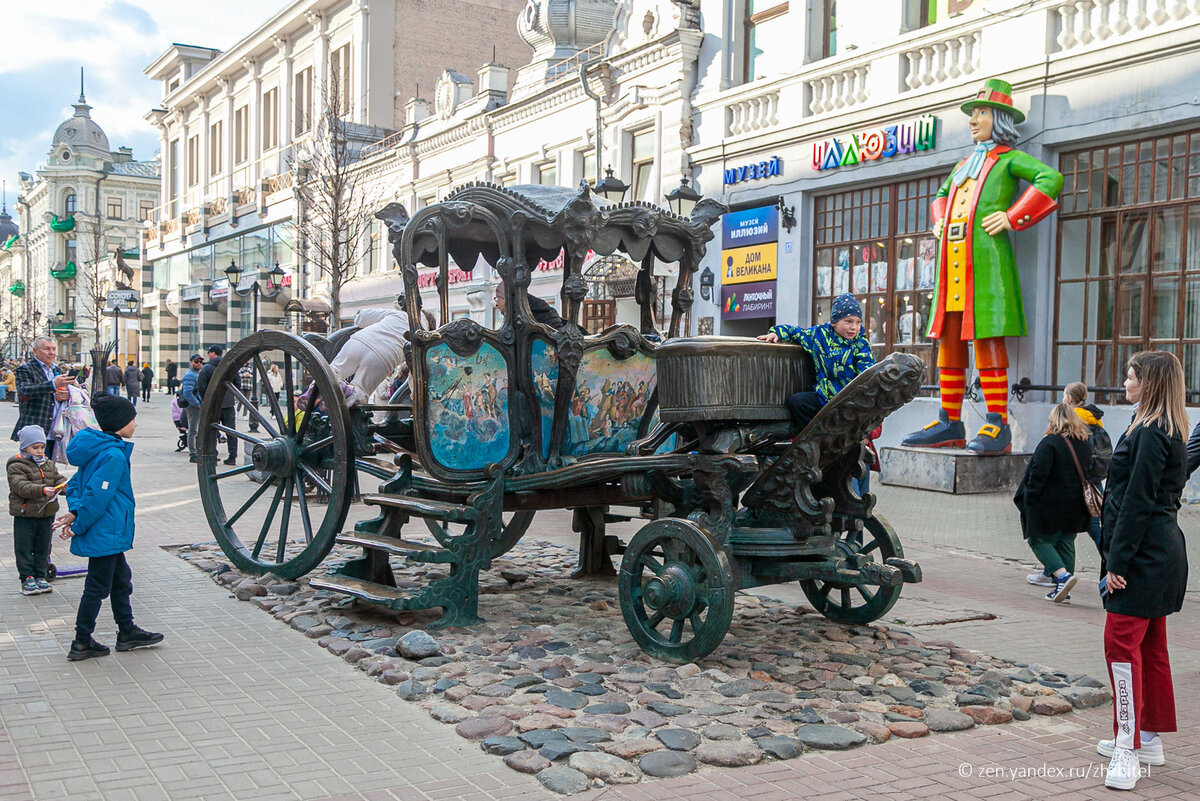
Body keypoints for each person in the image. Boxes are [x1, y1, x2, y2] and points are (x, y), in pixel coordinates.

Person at [901, 78, 1063, 454]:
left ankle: (996, 424)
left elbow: (1050, 178)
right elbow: (941, 196)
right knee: (950, 342)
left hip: (987, 267)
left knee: (988, 339)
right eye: (973, 114)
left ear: (1000, 118)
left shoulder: (1008, 160)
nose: (973, 121)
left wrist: (1013, 216)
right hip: (952, 266)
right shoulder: (964, 164)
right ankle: (949, 421)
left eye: (981, 113)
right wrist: (940, 218)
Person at [1095, 351, 1188, 790]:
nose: (1125, 382)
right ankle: (1145, 735)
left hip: (1145, 556)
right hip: (1155, 553)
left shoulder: (1152, 430)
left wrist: (1116, 562)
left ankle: (1127, 746)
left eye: (1130, 375)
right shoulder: (1158, 426)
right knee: (1149, 647)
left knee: (1121, 646)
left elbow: (1137, 501)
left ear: (1147, 382)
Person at [54, 393, 163, 662]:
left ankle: (127, 631)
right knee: (96, 587)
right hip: (107, 530)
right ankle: (81, 642)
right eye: (132, 419)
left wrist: (75, 511)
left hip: (109, 531)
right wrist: (79, 523)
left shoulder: (99, 447)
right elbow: (97, 497)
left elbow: (77, 485)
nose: (135, 424)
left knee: (120, 580)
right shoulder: (113, 454)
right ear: (119, 423)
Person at [756, 292, 875, 432]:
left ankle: (838, 434)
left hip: (849, 403)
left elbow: (867, 373)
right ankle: (814, 436)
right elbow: (796, 332)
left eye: (858, 322)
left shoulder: (860, 344)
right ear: (834, 322)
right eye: (848, 321)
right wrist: (776, 332)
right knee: (797, 402)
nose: (854, 327)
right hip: (824, 397)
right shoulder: (819, 336)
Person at [1012, 404, 1091, 603]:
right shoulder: (1085, 443)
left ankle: (1062, 576)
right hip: (1077, 504)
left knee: (1037, 540)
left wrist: (1029, 500)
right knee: (1066, 542)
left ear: (1054, 420)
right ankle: (1063, 588)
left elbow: (1037, 475)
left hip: (1050, 504)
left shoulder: (1051, 443)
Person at [8, 425, 65, 595]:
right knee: (24, 547)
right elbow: (21, 486)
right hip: (25, 514)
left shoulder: (48, 463)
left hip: (46, 513)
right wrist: (42, 489)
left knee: (43, 546)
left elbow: (56, 478)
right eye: (35, 448)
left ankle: (40, 575)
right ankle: (27, 578)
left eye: (42, 447)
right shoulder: (16, 465)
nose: (40, 451)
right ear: (24, 447)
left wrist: (64, 485)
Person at [328, 298, 412, 402]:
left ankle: (315, 389)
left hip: (361, 341)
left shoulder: (398, 314)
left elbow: (363, 317)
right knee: (361, 389)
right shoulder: (422, 334)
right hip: (384, 357)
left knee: (333, 371)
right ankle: (349, 392)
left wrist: (357, 317)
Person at [11, 336, 71, 460]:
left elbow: (58, 395)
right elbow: (24, 392)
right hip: (35, 429)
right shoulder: (25, 369)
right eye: (47, 349)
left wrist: (66, 395)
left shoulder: (57, 370)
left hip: (55, 429)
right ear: (35, 351)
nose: (52, 353)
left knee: (49, 470)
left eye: (54, 349)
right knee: (32, 470)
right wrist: (53, 384)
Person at [196, 345, 237, 465]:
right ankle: (232, 456)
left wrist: (206, 400)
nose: (208, 355)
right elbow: (237, 382)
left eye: (209, 353)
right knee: (231, 431)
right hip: (228, 402)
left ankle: (212, 456)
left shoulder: (207, 368)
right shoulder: (229, 366)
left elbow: (201, 387)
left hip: (213, 403)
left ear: (213, 354)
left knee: (211, 430)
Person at [494, 282, 567, 329]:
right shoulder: (543, 310)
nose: (497, 305)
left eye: (497, 298)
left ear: (506, 298)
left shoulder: (519, 318)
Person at [179, 354, 204, 463]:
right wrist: (197, 404)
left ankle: (196, 452)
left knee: (195, 430)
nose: (199, 363)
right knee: (193, 430)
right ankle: (193, 454)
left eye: (200, 362)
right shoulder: (190, 375)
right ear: (191, 362)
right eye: (196, 361)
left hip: (195, 405)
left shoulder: (196, 374)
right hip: (193, 407)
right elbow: (187, 392)